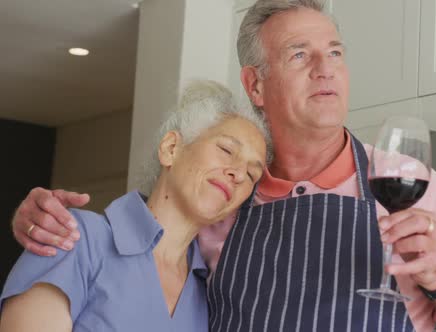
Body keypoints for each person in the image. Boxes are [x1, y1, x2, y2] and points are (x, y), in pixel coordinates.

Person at [10, 1, 436, 331]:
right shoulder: (223, 204)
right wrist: (47, 220)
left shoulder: (412, 183)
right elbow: (141, 241)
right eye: (300, 55)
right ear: (255, 86)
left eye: (335, 52)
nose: (326, 69)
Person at [1, 80, 270, 331]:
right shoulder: (74, 236)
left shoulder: (208, 292)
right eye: (226, 150)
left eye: (251, 175)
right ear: (171, 148)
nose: (237, 173)